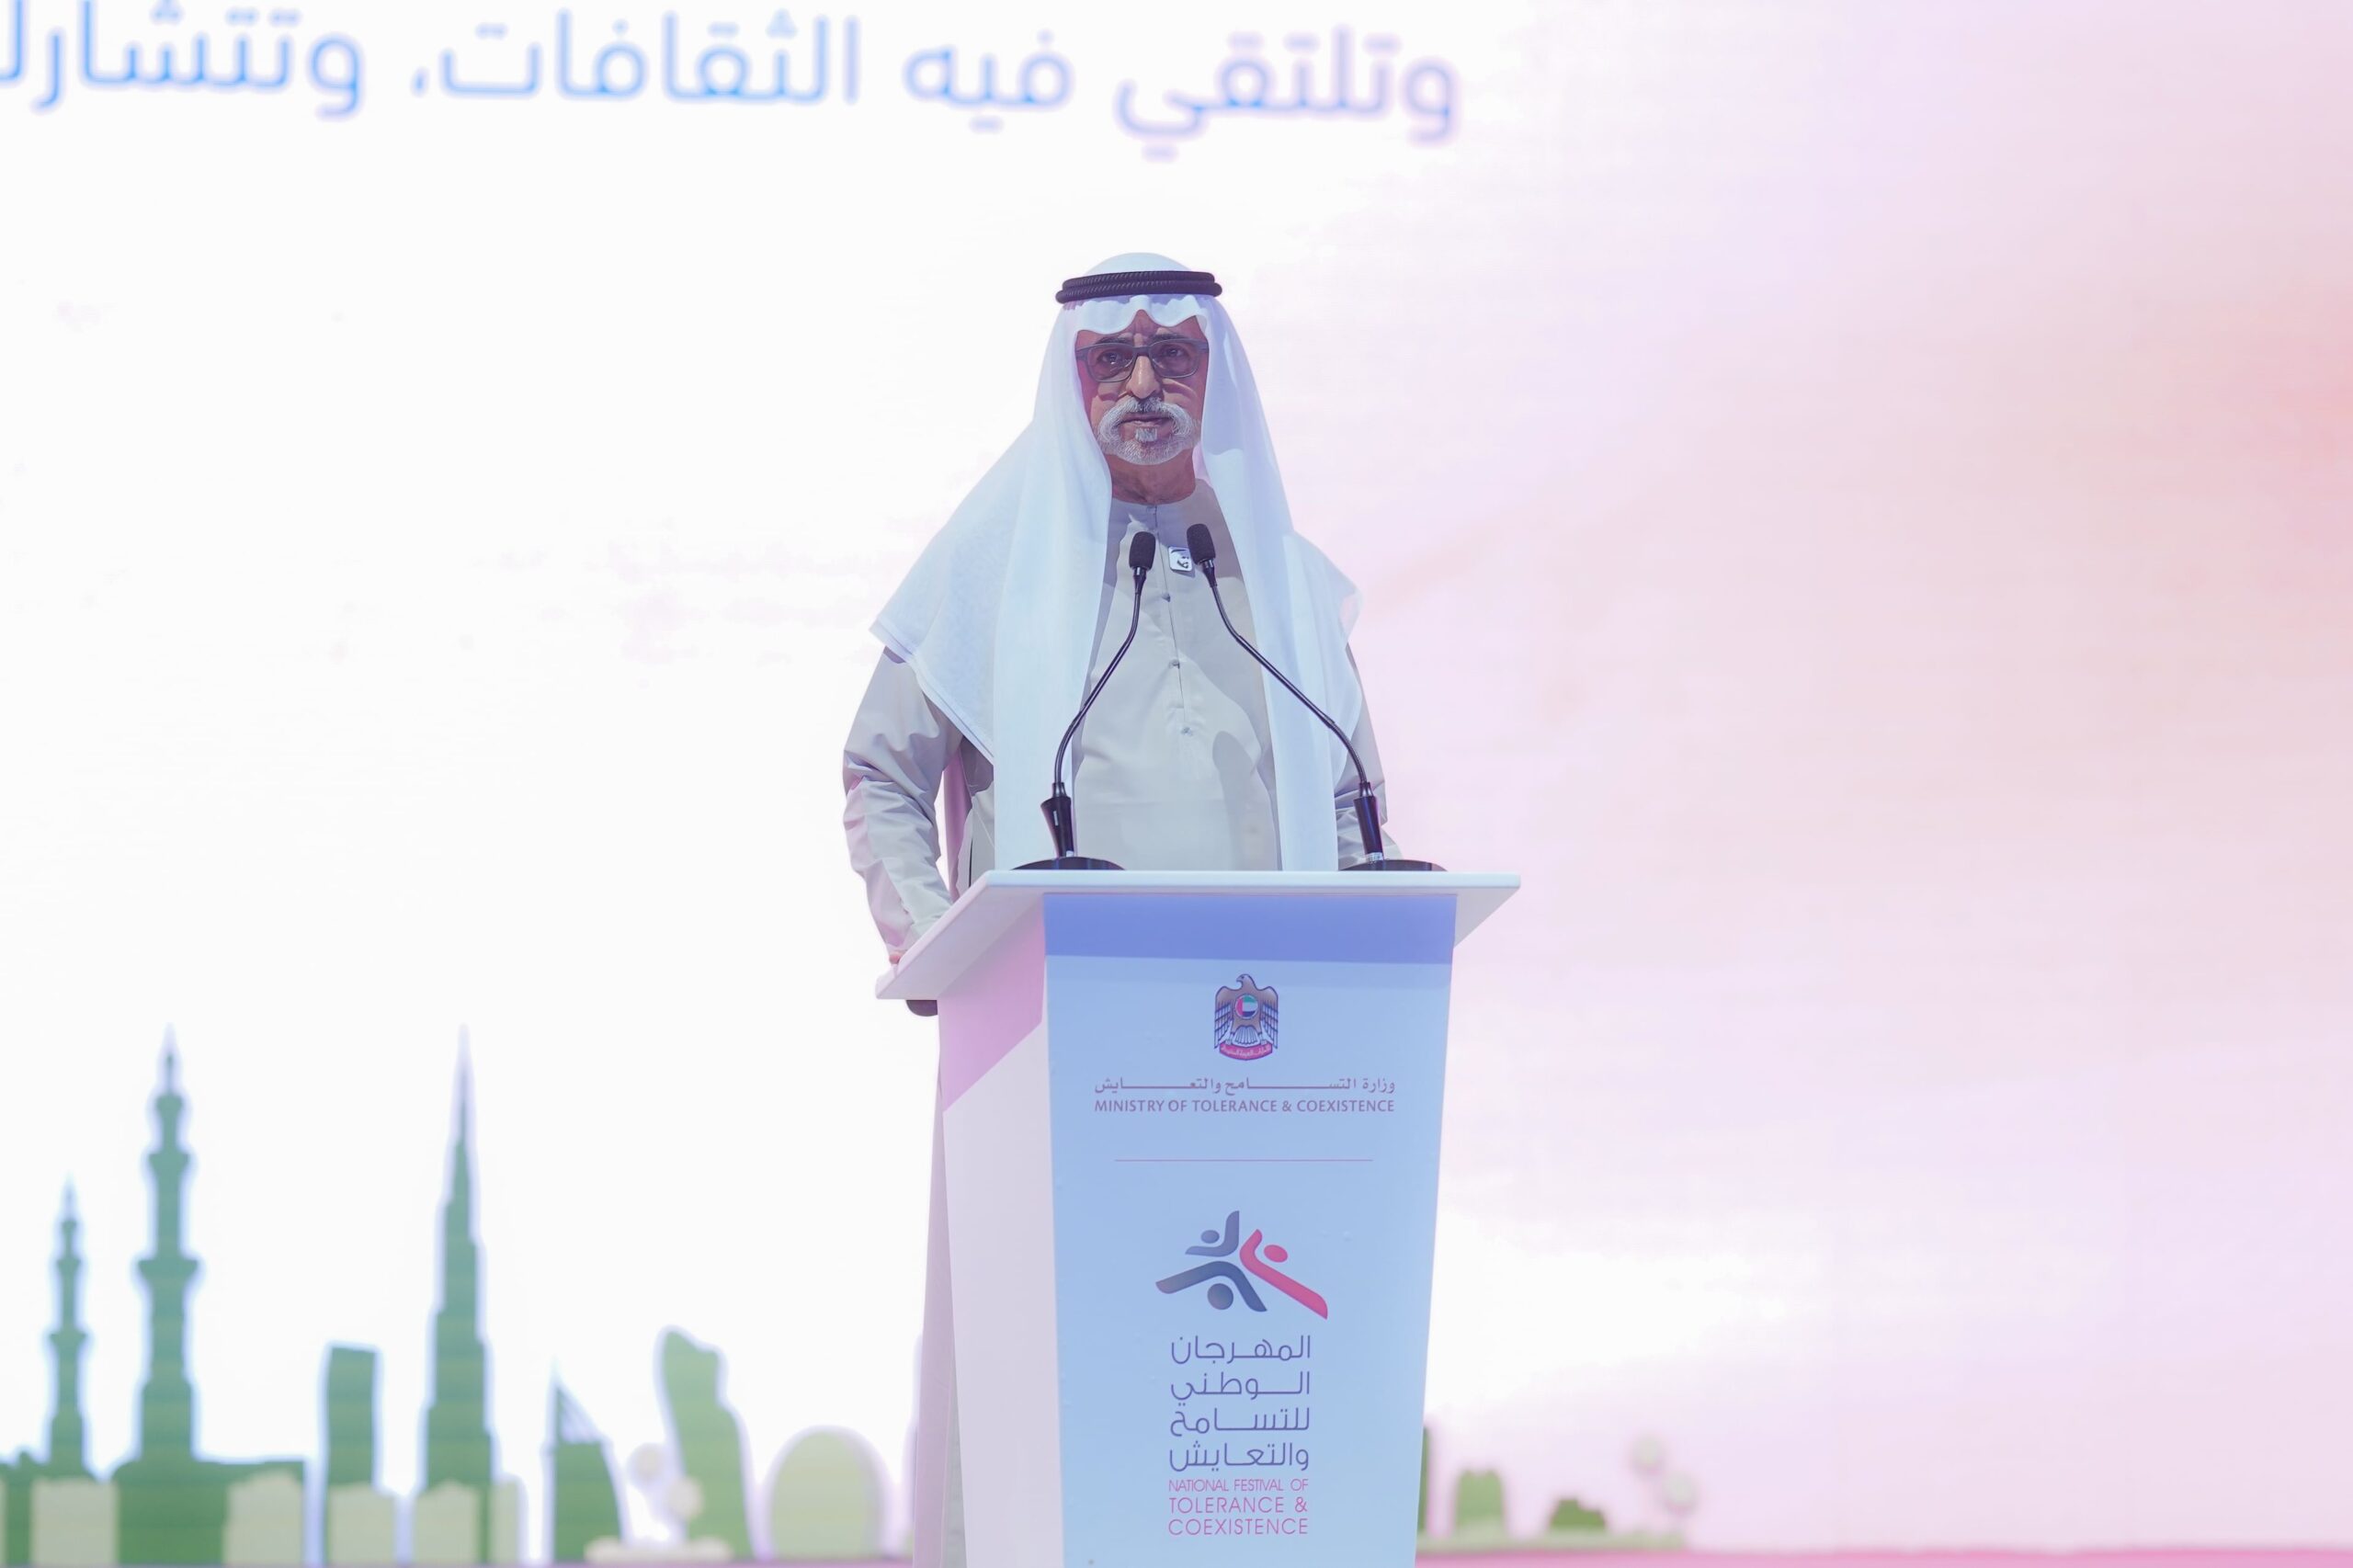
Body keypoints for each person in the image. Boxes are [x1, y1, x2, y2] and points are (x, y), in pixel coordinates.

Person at [840, 253, 1398, 1568]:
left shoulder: (1284, 580)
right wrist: (942, 950)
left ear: (1214, 375)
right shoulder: (995, 566)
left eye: (1174, 356)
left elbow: (1356, 806)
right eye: (1112, 358)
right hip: (1050, 1052)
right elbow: (880, 773)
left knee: (1242, 1384)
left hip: (1266, 1073)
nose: (1144, 383)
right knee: (1046, 1383)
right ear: (1074, 377)